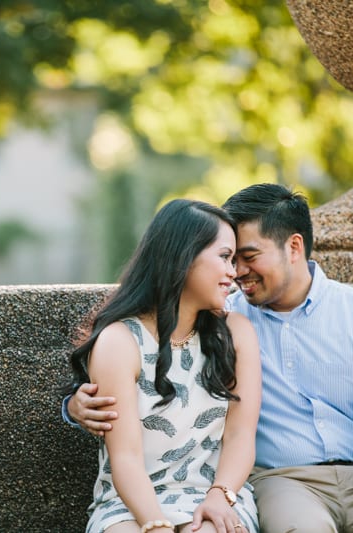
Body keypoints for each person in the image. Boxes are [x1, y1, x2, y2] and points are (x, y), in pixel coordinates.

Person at [66, 184, 353, 533]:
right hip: (285, 482)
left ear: (293, 247)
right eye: (228, 257)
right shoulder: (224, 317)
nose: (236, 272)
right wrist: (74, 405)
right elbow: (132, 383)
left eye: (246, 256)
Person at [65, 199, 262, 533]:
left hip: (214, 494)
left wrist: (221, 494)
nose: (234, 271)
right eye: (225, 257)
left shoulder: (236, 332)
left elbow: (241, 435)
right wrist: (156, 524)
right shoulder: (120, 342)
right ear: (183, 257)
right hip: (128, 502)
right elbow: (124, 458)